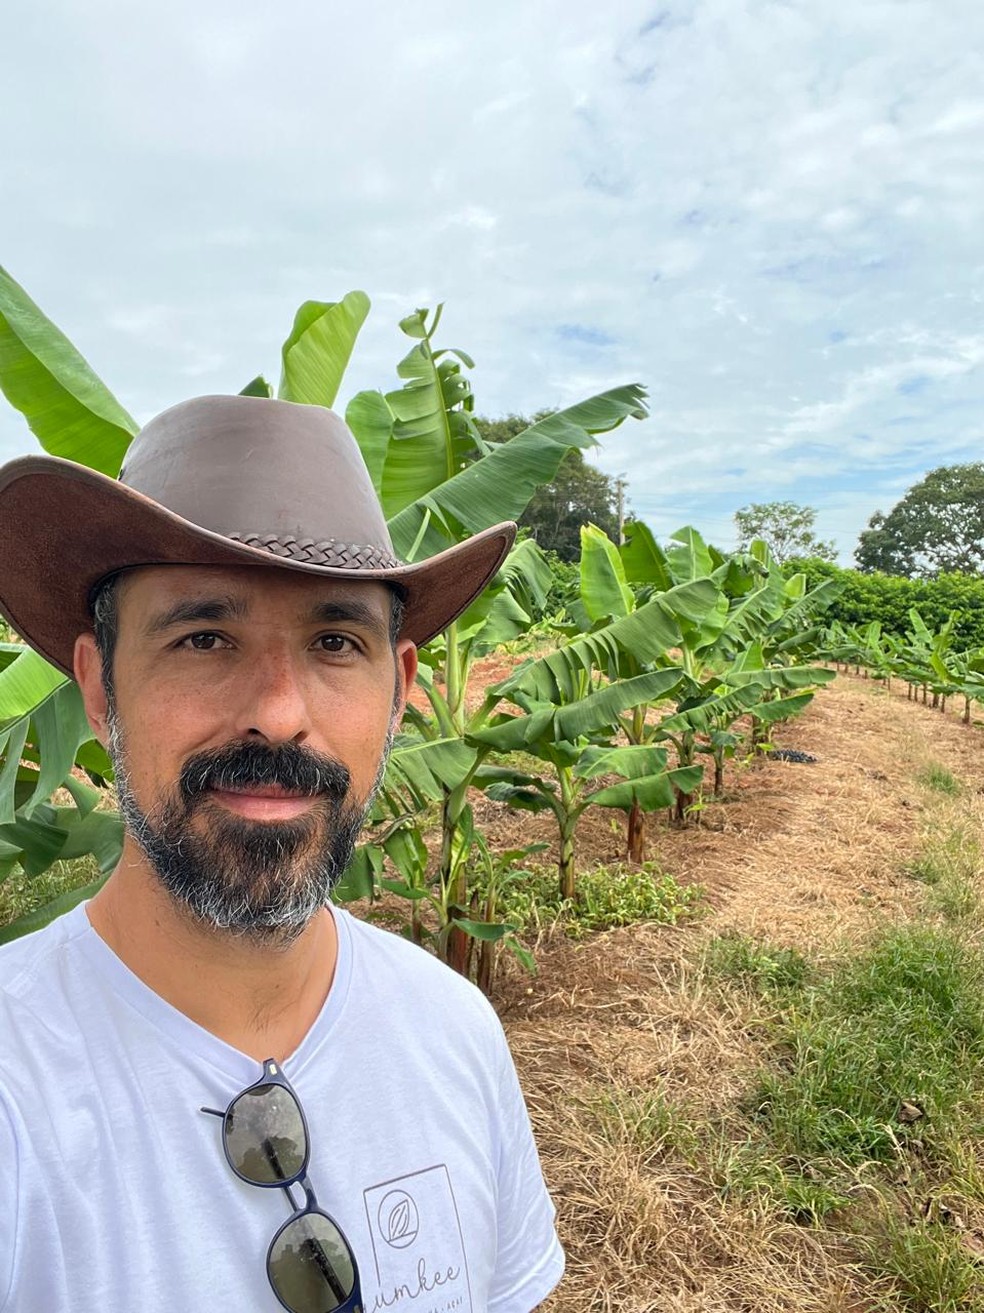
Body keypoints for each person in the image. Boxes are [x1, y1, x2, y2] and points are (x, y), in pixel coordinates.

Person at [0, 396, 564, 1313]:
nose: (278, 712)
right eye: (203, 638)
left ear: (398, 692)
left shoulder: (455, 1032)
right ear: (100, 689)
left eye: (335, 642)